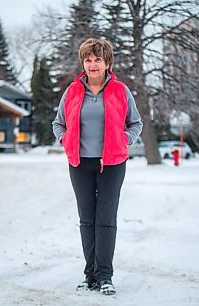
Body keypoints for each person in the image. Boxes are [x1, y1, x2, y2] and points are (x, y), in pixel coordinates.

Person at [52, 38, 143, 295]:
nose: (92, 64)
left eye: (97, 59)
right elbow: (57, 124)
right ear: (83, 63)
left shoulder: (120, 91)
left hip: (112, 164)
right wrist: (66, 140)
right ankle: (89, 275)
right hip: (80, 164)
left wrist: (122, 141)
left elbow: (135, 124)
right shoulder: (72, 92)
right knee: (86, 220)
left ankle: (105, 276)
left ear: (107, 63)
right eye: (88, 59)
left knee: (105, 220)